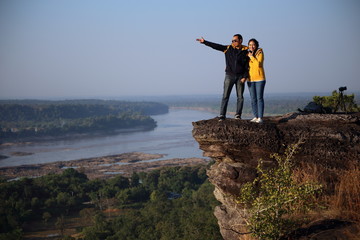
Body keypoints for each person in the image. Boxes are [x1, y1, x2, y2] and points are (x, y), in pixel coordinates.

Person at [196, 34, 249, 121]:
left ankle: (238, 115)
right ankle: (222, 115)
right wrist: (205, 42)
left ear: (240, 40)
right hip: (229, 75)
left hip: (240, 77)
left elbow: (248, 65)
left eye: (235, 40)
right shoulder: (228, 48)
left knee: (240, 97)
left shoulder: (246, 50)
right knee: (225, 96)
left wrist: (245, 76)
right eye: (232, 41)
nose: (233, 42)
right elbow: (216, 46)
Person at [247, 38, 266, 123]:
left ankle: (260, 118)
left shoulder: (260, 52)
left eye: (253, 44)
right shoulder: (247, 53)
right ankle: (255, 116)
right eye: (250, 45)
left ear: (256, 45)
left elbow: (258, 64)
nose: (252, 46)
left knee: (259, 98)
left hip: (260, 79)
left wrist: (251, 57)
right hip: (250, 79)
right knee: (253, 99)